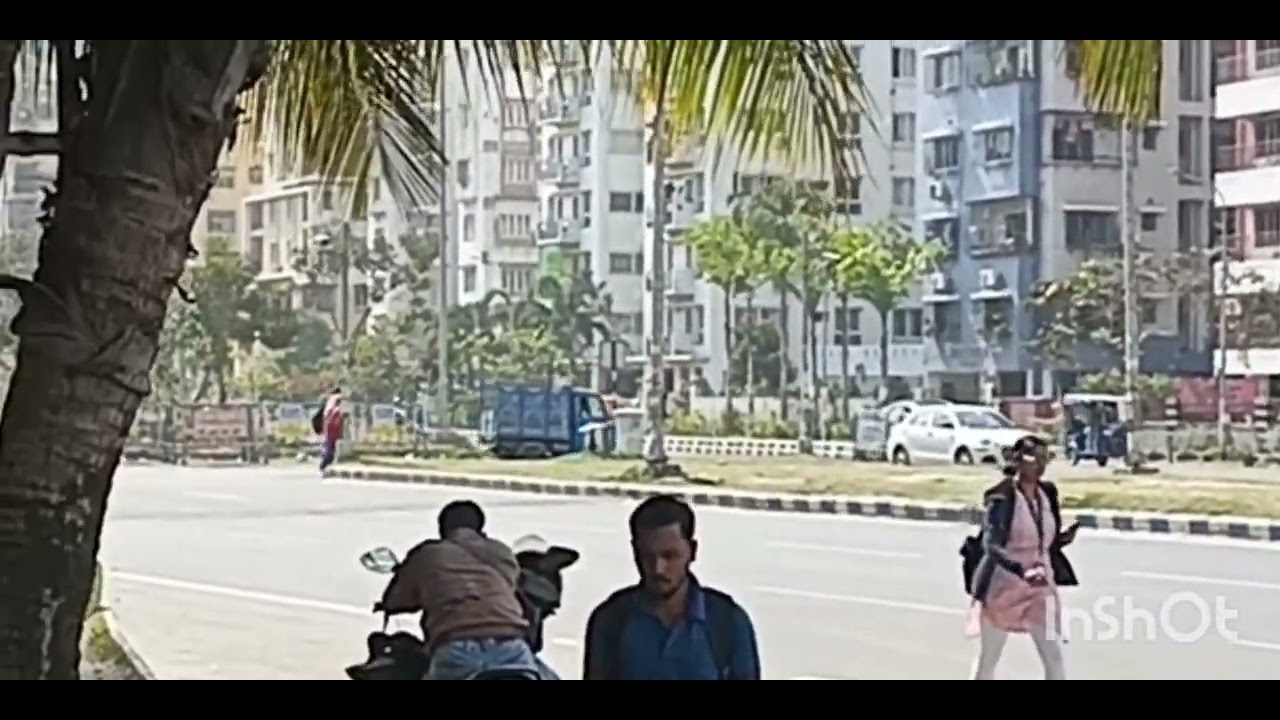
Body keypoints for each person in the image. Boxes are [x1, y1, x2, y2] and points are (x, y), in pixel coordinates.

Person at [582, 494, 761, 680]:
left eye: (669, 556)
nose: (658, 568)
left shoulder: (727, 621)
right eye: (647, 556)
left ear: (692, 551)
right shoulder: (612, 620)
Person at [377, 500, 541, 680]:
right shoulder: (502, 552)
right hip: (513, 647)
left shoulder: (428, 554)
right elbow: (511, 587)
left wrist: (387, 604)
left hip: (457, 649)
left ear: (442, 528)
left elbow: (398, 598)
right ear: (480, 526)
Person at [964, 435, 1079, 680]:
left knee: (1053, 655)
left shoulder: (1047, 494)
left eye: (1043, 459)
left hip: (1039, 584)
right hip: (1003, 585)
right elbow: (991, 544)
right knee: (989, 658)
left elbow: (1044, 537)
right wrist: (1019, 569)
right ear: (1018, 462)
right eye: (1033, 460)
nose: (1039, 465)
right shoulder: (1002, 498)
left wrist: (1061, 540)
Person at [318, 394, 345, 472]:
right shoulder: (336, 411)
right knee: (330, 451)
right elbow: (334, 423)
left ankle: (324, 466)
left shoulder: (330, 410)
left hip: (329, 434)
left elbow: (327, 421)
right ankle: (323, 466)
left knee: (328, 450)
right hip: (332, 434)